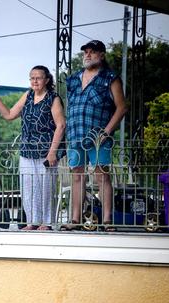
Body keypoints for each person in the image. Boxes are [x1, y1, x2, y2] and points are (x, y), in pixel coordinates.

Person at [0, 65, 66, 230]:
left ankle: (47, 223)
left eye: (38, 77)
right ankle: (32, 222)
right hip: (27, 150)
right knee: (28, 189)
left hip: (46, 151)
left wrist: (53, 152)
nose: (34, 81)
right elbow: (9, 115)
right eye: (32, 78)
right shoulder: (28, 95)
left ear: (47, 80)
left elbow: (61, 125)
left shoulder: (53, 98)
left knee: (46, 188)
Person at [63, 40, 127, 231]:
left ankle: (107, 220)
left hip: (99, 138)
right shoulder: (73, 79)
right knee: (77, 176)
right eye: (86, 52)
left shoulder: (110, 77)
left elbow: (122, 107)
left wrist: (106, 132)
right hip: (76, 136)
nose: (88, 55)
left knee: (102, 176)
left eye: (92, 52)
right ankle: (75, 219)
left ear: (102, 55)